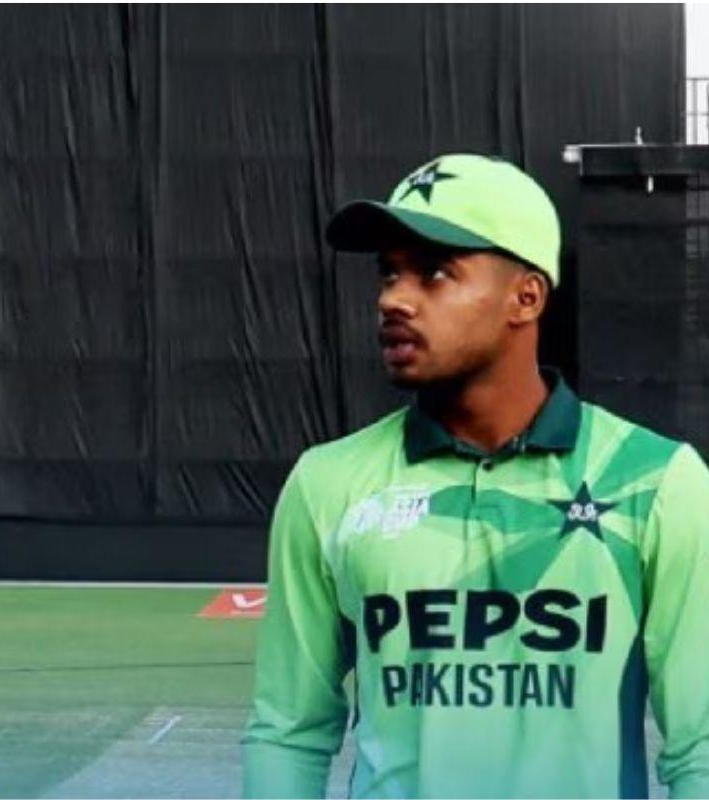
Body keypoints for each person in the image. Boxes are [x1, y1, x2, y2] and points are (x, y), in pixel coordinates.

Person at [242, 154, 709, 797]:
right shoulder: (328, 483)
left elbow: (701, 747)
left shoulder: (658, 482)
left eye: (434, 273)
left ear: (527, 296)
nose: (393, 300)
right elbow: (288, 731)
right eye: (389, 273)